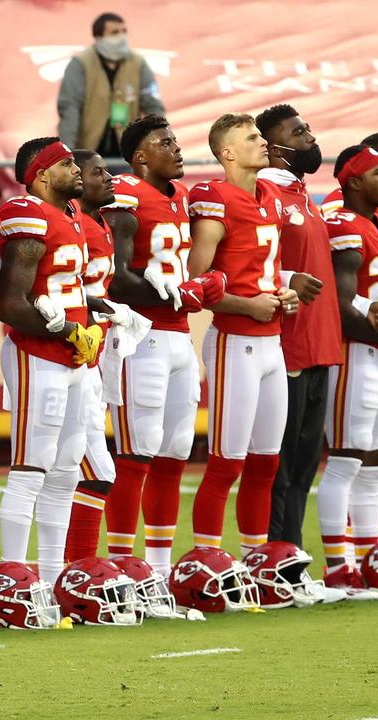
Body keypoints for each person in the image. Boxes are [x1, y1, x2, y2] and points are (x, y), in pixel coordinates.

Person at [100, 115, 223, 576]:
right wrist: (171, 293)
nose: (176, 148)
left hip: (176, 337)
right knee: (137, 453)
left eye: (175, 140)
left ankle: (157, 568)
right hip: (140, 336)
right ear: (139, 156)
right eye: (163, 142)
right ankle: (123, 567)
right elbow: (115, 275)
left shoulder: (180, 198)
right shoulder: (126, 192)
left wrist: (202, 285)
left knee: (174, 451)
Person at [187, 113, 315, 557]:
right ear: (226, 152)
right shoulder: (214, 197)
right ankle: (208, 562)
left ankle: (256, 563)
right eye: (252, 137)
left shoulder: (272, 198)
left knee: (266, 463)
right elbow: (195, 283)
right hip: (234, 342)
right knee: (226, 464)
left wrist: (282, 294)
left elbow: (262, 270)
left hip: (272, 343)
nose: (262, 142)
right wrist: (249, 305)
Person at [0, 137, 102, 586]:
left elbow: (67, 291)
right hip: (37, 353)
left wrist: (95, 317)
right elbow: (11, 303)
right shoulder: (28, 212)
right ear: (41, 176)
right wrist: (67, 330)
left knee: (64, 471)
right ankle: (15, 581)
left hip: (73, 358)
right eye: (65, 164)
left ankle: (55, 580)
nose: (76, 169)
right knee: (31, 465)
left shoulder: (71, 217)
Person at [254, 105, 337, 551]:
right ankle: (273, 560)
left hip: (320, 342)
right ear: (273, 148)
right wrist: (285, 280)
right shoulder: (265, 192)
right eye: (298, 131)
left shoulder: (305, 196)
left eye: (308, 128)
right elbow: (248, 260)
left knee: (305, 465)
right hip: (288, 343)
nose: (310, 136)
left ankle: (294, 557)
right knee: (280, 464)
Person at [319, 144, 378, 598]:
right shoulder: (343, 225)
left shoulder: (373, 225)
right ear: (355, 180)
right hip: (354, 351)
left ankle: (369, 561)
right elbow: (340, 305)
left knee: (375, 466)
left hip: (375, 350)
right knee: (345, 460)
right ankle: (339, 567)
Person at [62, 149, 124, 562]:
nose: (109, 177)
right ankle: (73, 569)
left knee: (78, 472)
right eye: (97, 172)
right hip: (69, 358)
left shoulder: (100, 222)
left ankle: (73, 568)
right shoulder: (75, 224)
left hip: (94, 358)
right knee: (93, 471)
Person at [57, 12, 165, 157]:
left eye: (124, 31)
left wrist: (160, 144)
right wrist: (67, 153)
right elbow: (70, 109)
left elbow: (152, 105)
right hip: (89, 153)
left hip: (127, 154)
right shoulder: (81, 64)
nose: (121, 37)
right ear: (98, 37)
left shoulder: (138, 64)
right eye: (114, 33)